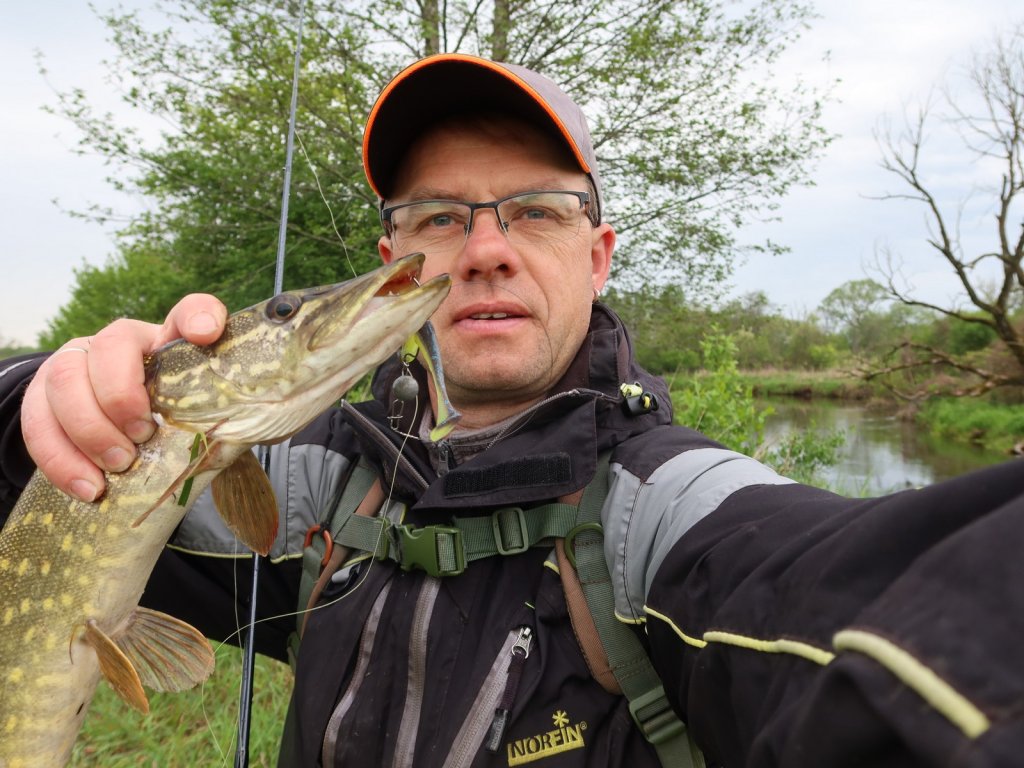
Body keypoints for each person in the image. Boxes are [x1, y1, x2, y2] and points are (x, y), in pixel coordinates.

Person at [2, 52, 1023, 767]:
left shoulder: (669, 516)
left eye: (533, 209)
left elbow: (859, 596)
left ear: (598, 252)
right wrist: (41, 403)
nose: (484, 247)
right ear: (395, 261)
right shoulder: (315, 490)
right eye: (439, 217)